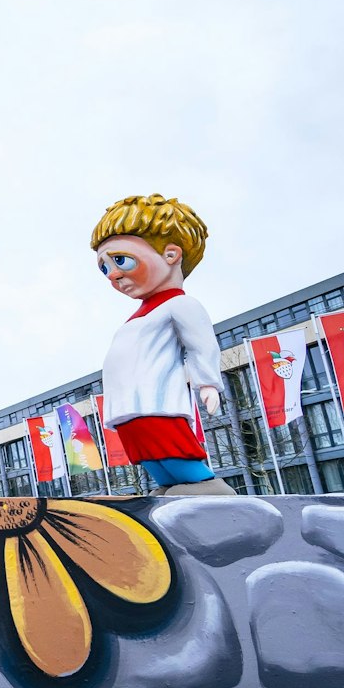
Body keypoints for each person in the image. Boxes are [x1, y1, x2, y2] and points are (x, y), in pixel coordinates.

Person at [90, 194, 236, 495]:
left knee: (168, 444)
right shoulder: (138, 317)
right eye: (104, 268)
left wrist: (207, 383)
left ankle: (205, 486)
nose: (113, 276)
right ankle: (169, 487)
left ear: (171, 255)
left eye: (120, 260)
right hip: (129, 405)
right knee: (146, 451)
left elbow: (201, 344)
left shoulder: (180, 305)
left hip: (155, 401)